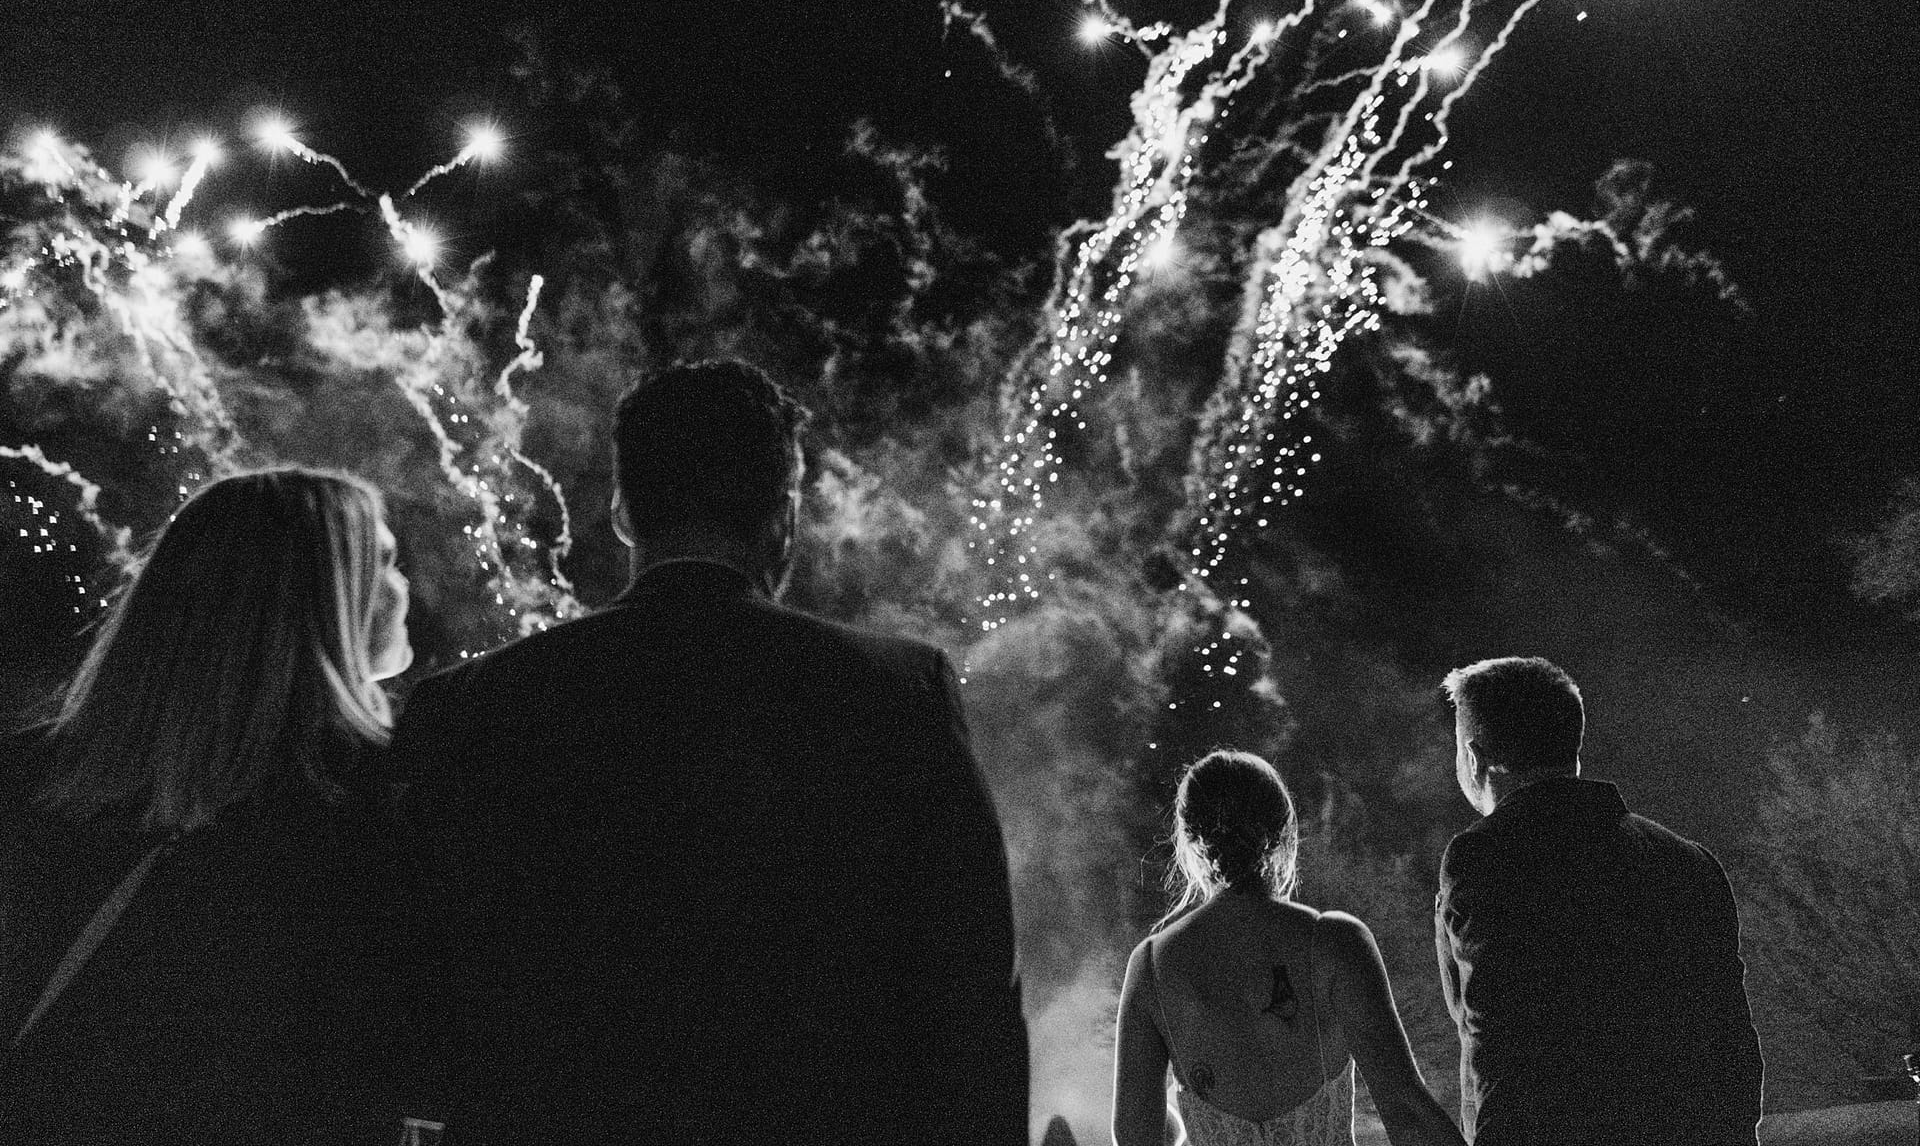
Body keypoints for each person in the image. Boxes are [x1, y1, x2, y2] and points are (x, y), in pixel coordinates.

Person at [391, 358, 1028, 1145]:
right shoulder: (898, 691)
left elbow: (411, 1009)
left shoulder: (468, 707)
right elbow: (970, 1006)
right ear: (783, 514)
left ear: (623, 511)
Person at [0, 467, 439, 1144]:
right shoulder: (386, 793)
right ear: (321, 596)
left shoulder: (33, 776)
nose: (403, 586)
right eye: (383, 561)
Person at [1435, 656, 1764, 1145]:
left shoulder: (1485, 858)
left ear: (1475, 755)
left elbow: (1504, 1054)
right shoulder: (1688, 862)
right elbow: (1733, 1053)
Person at [1114, 750, 1467, 1146]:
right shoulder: (1337, 944)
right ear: (1282, 833)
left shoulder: (1151, 968)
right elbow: (1407, 1114)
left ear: (1190, 841)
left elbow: (1133, 1137)